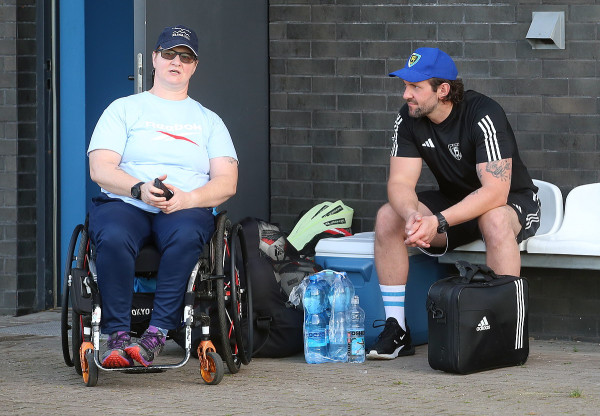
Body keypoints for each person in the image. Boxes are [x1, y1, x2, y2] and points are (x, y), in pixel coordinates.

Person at [367, 47, 540, 360]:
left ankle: (505, 336)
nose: (406, 95)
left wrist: (438, 221)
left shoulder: (483, 113)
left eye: (415, 87)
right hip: (454, 202)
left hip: (510, 200)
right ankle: (397, 329)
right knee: (388, 217)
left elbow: (495, 192)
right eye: (405, 86)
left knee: (494, 219)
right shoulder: (408, 117)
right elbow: (400, 183)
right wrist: (412, 216)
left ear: (443, 90)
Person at [87, 25, 238, 368]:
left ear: (194, 66)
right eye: (169, 53)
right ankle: (116, 336)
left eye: (185, 57)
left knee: (187, 234)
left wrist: (189, 198)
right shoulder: (123, 109)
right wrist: (138, 188)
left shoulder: (209, 121)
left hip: (184, 205)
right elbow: (100, 167)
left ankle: (156, 335)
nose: (176, 61)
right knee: (113, 234)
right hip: (127, 201)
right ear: (154, 58)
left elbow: (227, 182)